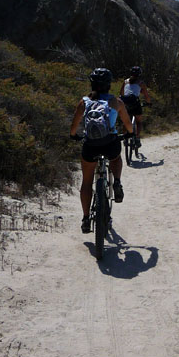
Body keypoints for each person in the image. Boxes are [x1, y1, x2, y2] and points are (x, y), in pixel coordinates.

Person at [70, 68, 134, 234]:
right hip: (110, 143)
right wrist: (129, 133)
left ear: (92, 84)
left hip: (90, 146)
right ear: (109, 84)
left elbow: (74, 127)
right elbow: (128, 123)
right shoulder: (116, 102)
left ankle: (85, 219)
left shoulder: (84, 102)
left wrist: (74, 136)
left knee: (86, 182)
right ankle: (117, 182)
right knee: (116, 158)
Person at [121, 66, 152, 146]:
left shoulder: (126, 81)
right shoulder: (141, 83)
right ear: (140, 74)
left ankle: (125, 138)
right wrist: (148, 103)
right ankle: (137, 138)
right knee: (138, 121)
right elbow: (146, 96)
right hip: (135, 103)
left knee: (126, 121)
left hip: (125, 103)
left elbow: (121, 93)